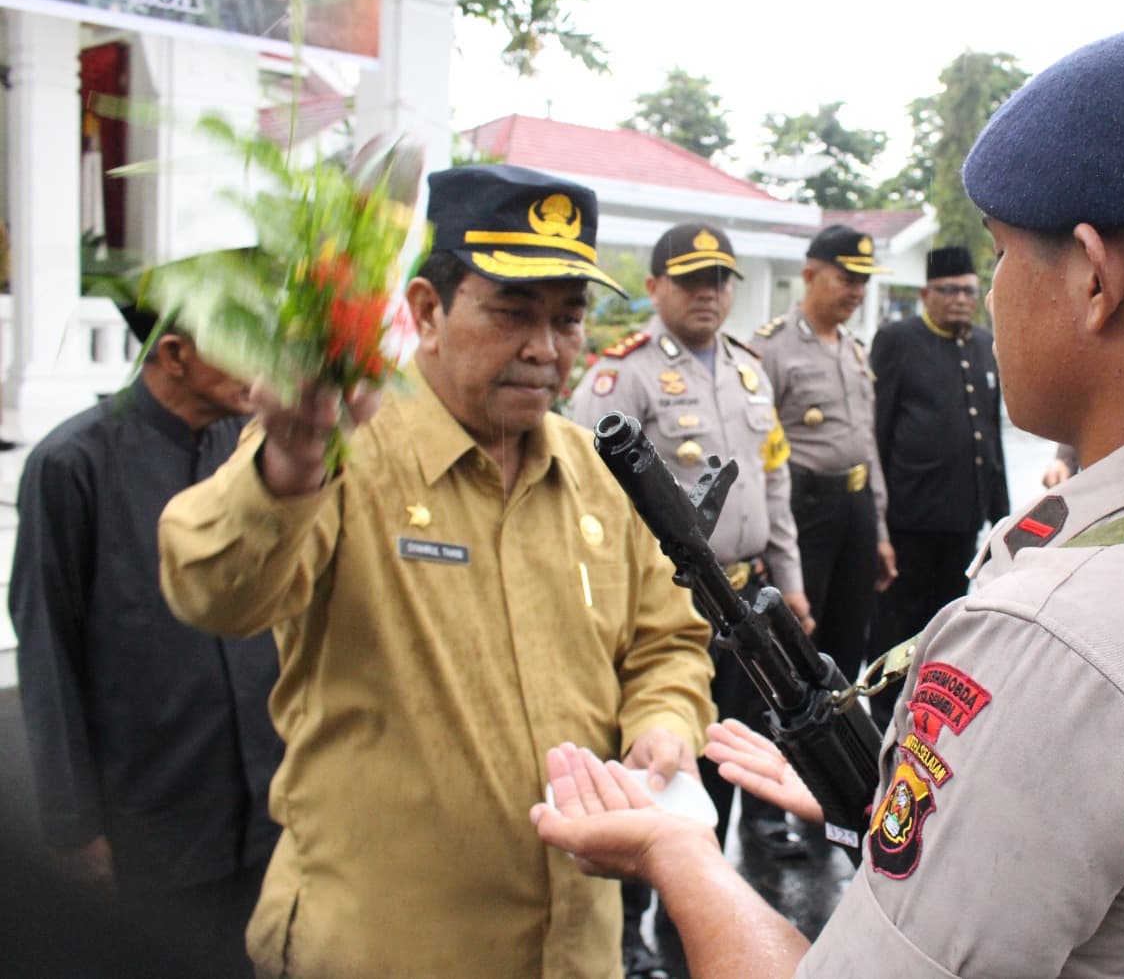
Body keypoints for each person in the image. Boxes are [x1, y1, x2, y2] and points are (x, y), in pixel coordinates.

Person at [531, 21, 1124, 978]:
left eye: (1006, 255)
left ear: (1094, 280)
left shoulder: (1056, 641)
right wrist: (921, 802)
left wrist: (678, 851)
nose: (992, 293)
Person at [157, 165, 716, 979]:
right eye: (512, 313)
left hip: (575, 948)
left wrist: (663, 725)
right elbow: (213, 590)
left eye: (568, 319)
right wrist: (286, 464)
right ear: (426, 311)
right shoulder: (340, 454)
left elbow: (667, 642)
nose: (545, 349)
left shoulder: (599, 479)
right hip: (385, 949)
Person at [569, 221, 810, 970]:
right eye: (691, 279)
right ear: (653, 288)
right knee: (661, 772)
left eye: (720, 280)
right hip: (665, 607)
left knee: (735, 758)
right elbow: (588, 504)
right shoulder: (622, 377)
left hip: (748, 603)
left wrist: (791, 582)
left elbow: (773, 480)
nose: (709, 294)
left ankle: (707, 920)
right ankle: (634, 937)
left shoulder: (748, 369)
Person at [10, 307, 277, 978]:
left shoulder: (244, 455)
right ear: (176, 354)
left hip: (261, 805)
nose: (261, 366)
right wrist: (73, 826)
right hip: (154, 815)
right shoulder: (71, 463)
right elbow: (48, 650)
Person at [867, 245, 1007, 727]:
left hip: (962, 520)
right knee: (896, 627)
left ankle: (931, 716)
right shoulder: (898, 340)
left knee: (949, 625)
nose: (960, 300)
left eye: (969, 290)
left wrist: (1001, 514)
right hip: (908, 520)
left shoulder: (982, 344)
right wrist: (878, 523)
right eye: (948, 290)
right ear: (926, 293)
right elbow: (877, 432)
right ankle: (886, 718)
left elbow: (990, 435)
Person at [756, 224, 896, 689]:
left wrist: (877, 529)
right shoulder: (771, 348)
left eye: (863, 281)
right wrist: (765, 539)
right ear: (810, 274)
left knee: (849, 635)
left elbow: (867, 445)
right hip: (805, 508)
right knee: (797, 640)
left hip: (855, 510)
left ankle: (839, 744)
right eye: (847, 279)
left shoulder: (856, 350)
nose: (857, 291)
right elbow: (756, 450)